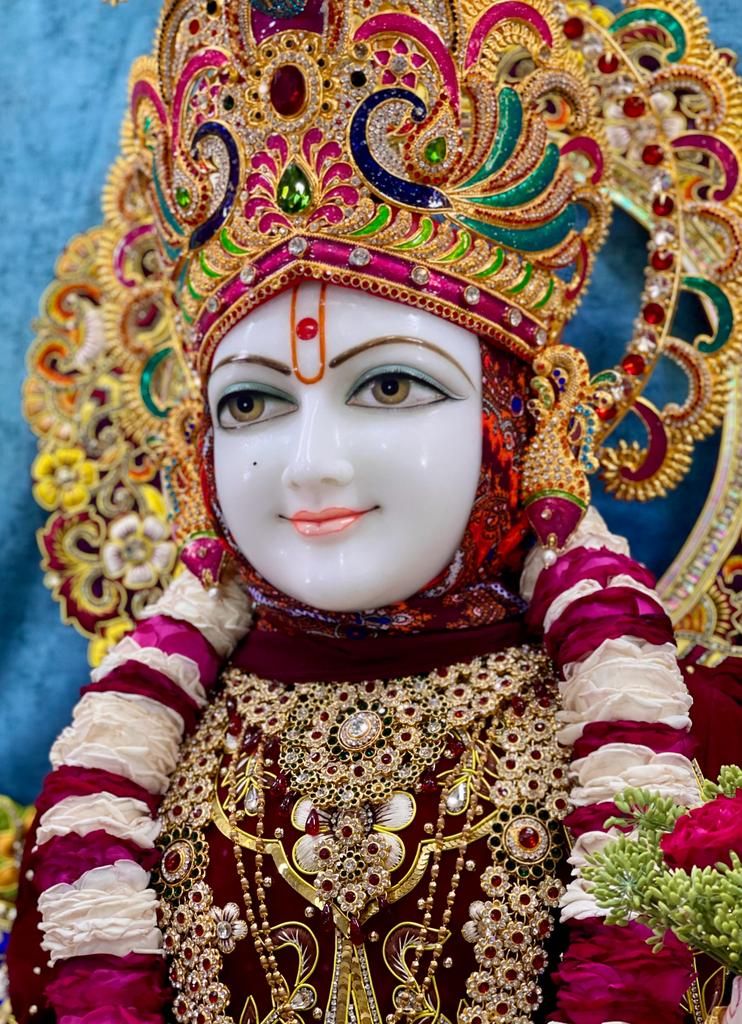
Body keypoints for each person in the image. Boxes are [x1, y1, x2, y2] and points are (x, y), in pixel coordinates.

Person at [8, 0, 742, 1021]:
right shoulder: (117, 771)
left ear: (517, 420)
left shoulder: (688, 748)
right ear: (196, 451)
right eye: (252, 404)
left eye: (390, 386)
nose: (312, 466)